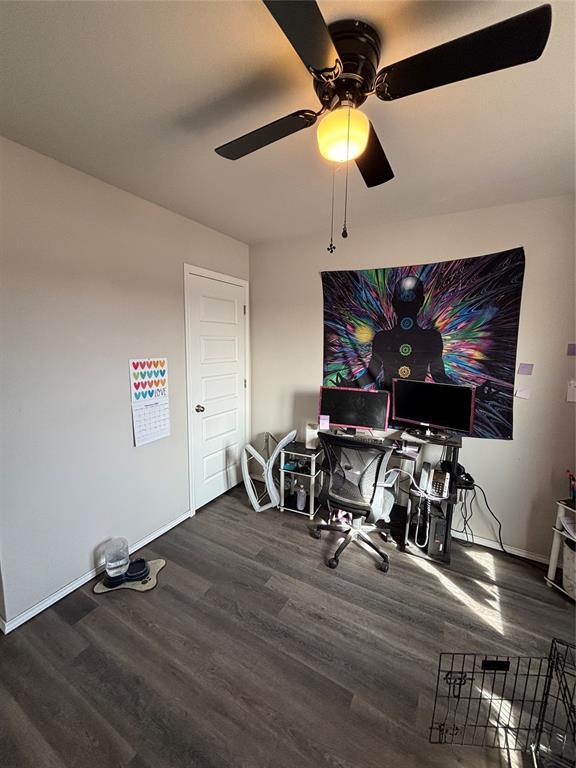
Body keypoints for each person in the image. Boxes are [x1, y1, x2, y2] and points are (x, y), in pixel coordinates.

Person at [357, 275, 452, 389]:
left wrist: (468, 391)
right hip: (389, 403)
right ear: (394, 302)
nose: (406, 301)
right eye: (403, 297)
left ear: (420, 301)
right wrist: (348, 385)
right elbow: (372, 374)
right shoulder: (382, 338)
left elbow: (439, 376)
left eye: (411, 296)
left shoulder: (431, 338)